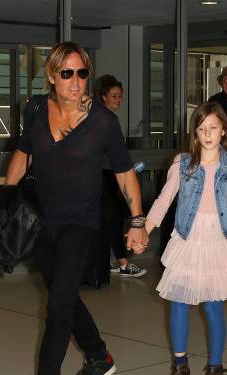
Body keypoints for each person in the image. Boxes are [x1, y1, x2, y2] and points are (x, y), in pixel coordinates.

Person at [5, 42, 148, 375]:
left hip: (81, 222)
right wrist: (7, 197)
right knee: (63, 297)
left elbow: (123, 171)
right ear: (52, 75)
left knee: (58, 306)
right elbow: (24, 152)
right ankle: (99, 356)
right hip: (41, 220)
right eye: (66, 73)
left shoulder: (102, 121)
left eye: (82, 73)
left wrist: (137, 221)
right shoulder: (35, 109)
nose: (75, 81)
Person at [144, 101, 227, 375]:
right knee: (178, 301)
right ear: (195, 133)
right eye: (202, 129)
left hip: (219, 239)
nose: (208, 134)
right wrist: (143, 229)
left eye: (214, 127)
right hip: (188, 237)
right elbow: (164, 200)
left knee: (212, 305)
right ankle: (179, 366)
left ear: (224, 130)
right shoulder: (182, 163)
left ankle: (215, 369)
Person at [94, 74, 147, 278]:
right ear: (104, 97)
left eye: (120, 96)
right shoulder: (105, 119)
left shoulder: (106, 119)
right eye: (114, 96)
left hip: (111, 174)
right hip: (104, 175)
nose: (118, 100)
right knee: (113, 218)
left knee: (112, 219)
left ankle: (118, 261)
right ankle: (122, 262)